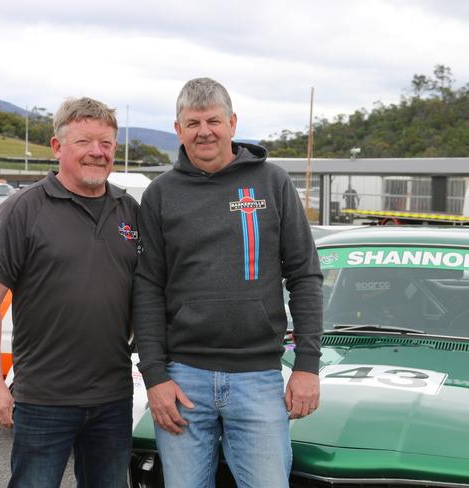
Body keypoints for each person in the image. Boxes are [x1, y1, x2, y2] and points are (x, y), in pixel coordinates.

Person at [133, 78, 323, 488]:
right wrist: (154, 377)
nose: (204, 131)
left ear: (233, 123)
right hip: (182, 377)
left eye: (214, 120)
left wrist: (307, 364)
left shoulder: (272, 183)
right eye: (193, 122)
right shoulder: (161, 195)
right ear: (178, 128)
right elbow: (147, 288)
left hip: (258, 376)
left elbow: (305, 275)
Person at [0, 97, 140, 488]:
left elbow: (141, 295)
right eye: (84, 142)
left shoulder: (129, 210)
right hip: (43, 398)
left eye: (107, 144)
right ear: (57, 146)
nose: (97, 153)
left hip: (113, 397)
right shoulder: (23, 208)